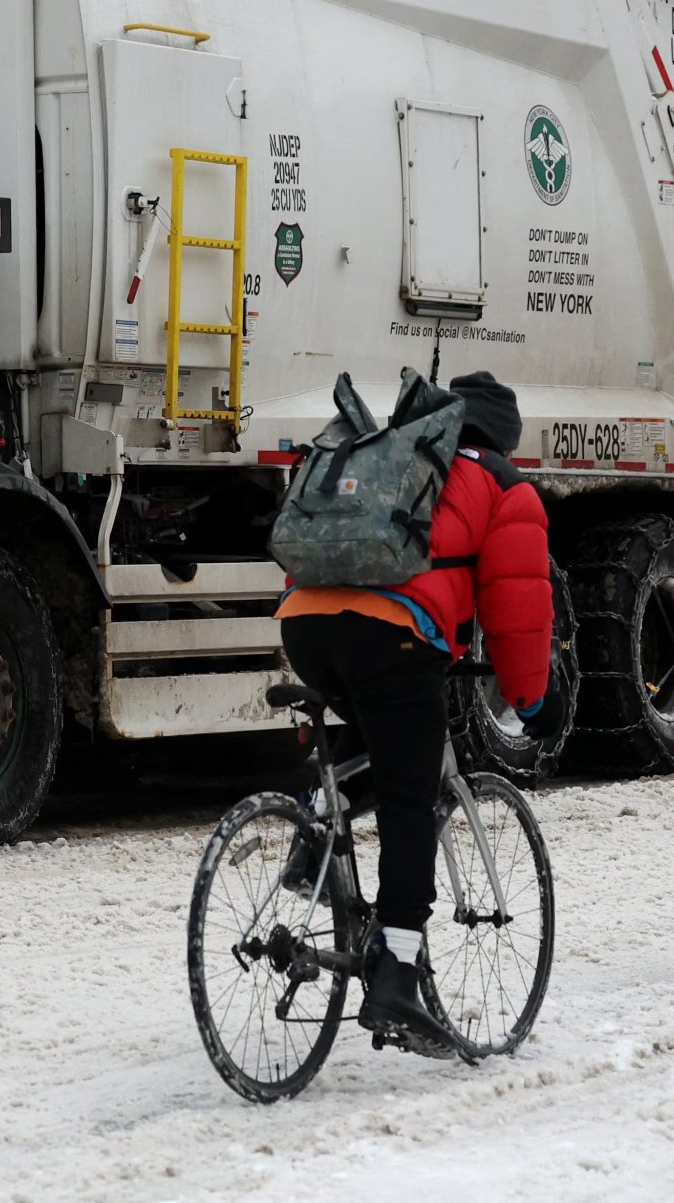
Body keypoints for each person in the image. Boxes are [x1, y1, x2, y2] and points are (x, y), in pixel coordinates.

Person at [273, 370, 562, 1050]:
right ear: (504, 437)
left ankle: (317, 820)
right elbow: (517, 609)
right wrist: (534, 701)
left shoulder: (396, 452)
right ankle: (399, 970)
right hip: (395, 635)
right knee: (411, 793)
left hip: (305, 623)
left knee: (384, 737)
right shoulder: (502, 484)